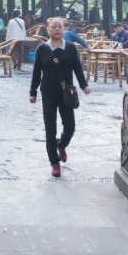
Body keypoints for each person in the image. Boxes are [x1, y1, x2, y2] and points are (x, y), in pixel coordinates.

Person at [30, 17, 90, 178]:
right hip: (48, 92)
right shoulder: (42, 49)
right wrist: (33, 92)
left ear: (64, 29)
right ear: (48, 30)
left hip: (67, 93)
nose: (57, 29)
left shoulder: (70, 48)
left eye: (60, 27)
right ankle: (54, 162)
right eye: (53, 27)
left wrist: (84, 85)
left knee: (70, 126)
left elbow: (77, 68)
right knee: (50, 129)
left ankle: (61, 145)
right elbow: (36, 72)